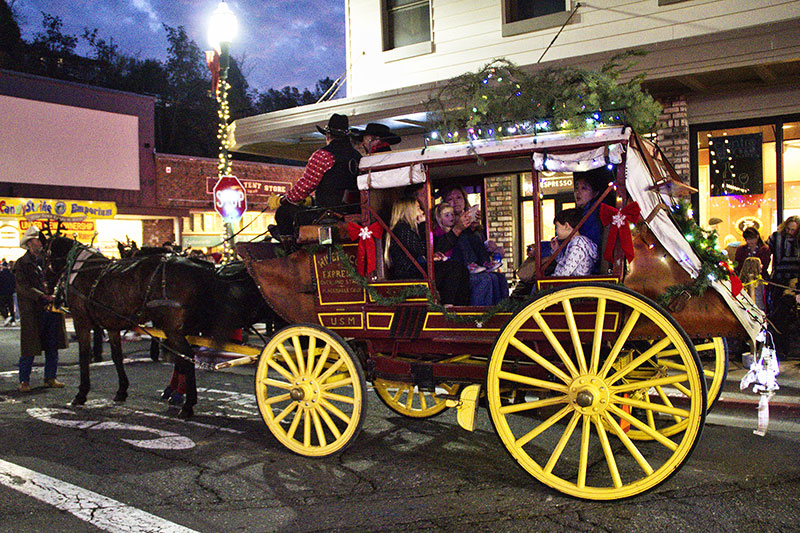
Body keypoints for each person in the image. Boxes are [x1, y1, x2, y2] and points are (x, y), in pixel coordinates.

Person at [272, 113, 362, 246]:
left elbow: (304, 188)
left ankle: (291, 249)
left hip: (328, 214)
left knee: (283, 212)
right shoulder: (357, 156)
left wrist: (283, 199)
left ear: (327, 136)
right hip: (352, 211)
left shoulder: (323, 155)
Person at [385, 197, 470, 306]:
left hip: (417, 269)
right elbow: (424, 249)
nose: (421, 212)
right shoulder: (402, 229)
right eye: (418, 208)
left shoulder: (408, 229)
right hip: (409, 274)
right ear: (408, 211)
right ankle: (448, 306)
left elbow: (426, 249)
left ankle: (461, 307)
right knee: (452, 268)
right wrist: (422, 225)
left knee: (460, 268)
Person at [14, 226, 67, 392]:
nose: (40, 243)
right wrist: (42, 295)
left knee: (52, 345)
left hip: (50, 308)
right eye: (37, 239)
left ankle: (50, 378)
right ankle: (24, 381)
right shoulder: (21, 264)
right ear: (30, 243)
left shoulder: (48, 260)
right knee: (29, 348)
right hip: (33, 310)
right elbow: (23, 287)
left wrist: (56, 294)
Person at [551, 208, 599, 277]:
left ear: (566, 226)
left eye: (557, 227)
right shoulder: (577, 242)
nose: (556, 231)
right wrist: (556, 250)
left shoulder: (577, 244)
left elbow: (565, 272)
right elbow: (565, 263)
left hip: (576, 284)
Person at [0, 259, 16, 326]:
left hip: (2, 293)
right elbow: (14, 283)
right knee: (11, 306)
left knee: (2, 306)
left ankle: (6, 317)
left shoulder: (1, 274)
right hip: (10, 293)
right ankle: (13, 320)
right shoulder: (11, 274)